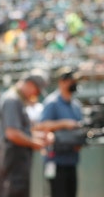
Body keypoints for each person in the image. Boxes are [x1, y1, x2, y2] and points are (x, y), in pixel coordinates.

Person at [0, 71, 49, 197]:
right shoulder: (12, 100)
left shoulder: (17, 100)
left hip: (19, 157)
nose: (35, 95)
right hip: (15, 156)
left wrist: (38, 138)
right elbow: (12, 134)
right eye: (36, 91)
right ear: (30, 84)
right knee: (16, 191)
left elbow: (21, 131)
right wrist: (35, 143)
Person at [36, 67, 84, 197]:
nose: (74, 84)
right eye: (71, 81)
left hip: (72, 159)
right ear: (62, 82)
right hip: (56, 160)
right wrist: (64, 123)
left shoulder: (76, 105)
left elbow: (81, 129)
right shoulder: (52, 102)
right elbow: (41, 126)